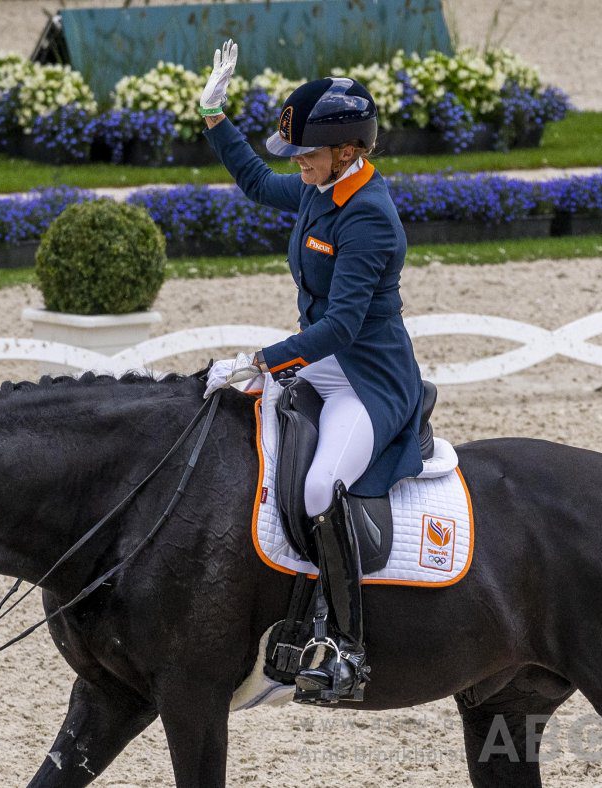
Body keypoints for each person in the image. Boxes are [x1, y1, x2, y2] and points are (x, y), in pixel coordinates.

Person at [199, 40, 424, 703]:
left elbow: (342, 328)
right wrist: (215, 115)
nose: (294, 162)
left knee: (323, 484)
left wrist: (262, 360)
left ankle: (347, 646)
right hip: (321, 364)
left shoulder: (370, 218)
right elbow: (254, 179)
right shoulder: (318, 189)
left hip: (366, 379)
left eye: (305, 152)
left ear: (347, 152)